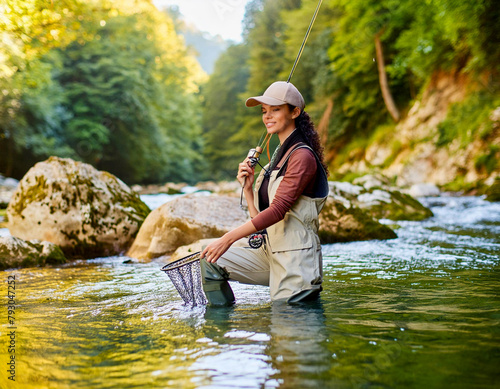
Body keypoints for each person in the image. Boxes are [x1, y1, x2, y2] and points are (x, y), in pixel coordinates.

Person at [200, 81, 329, 305]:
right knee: (209, 257)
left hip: (295, 262)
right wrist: (248, 190)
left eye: (275, 109)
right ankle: (221, 330)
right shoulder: (278, 158)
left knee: (287, 327)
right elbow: (262, 222)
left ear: (295, 112)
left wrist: (228, 239)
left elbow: (278, 211)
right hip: (269, 253)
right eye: (264, 111)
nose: (267, 116)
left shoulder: (302, 157)